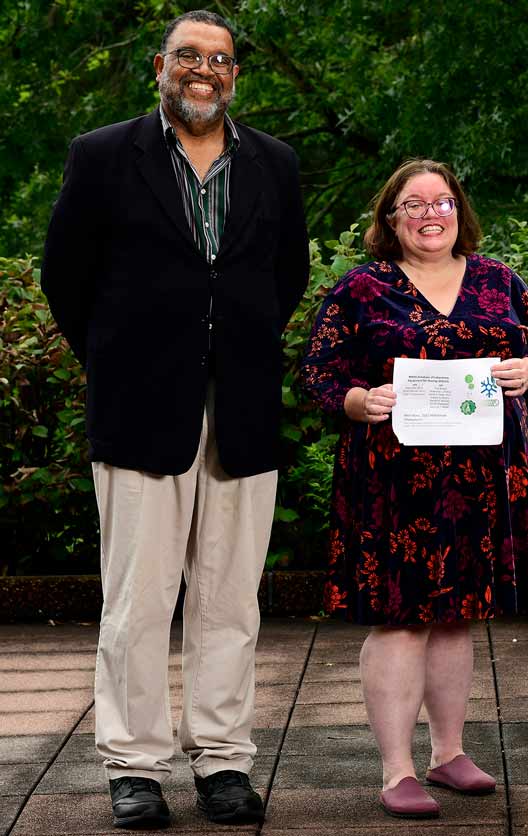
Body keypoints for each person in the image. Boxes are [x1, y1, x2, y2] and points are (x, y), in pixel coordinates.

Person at [40, 9, 308, 829]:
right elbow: (66, 281)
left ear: (235, 75)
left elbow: (284, 279)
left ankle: (223, 761)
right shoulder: (102, 155)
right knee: (138, 602)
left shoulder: (273, 163)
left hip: (245, 410)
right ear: (160, 64)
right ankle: (135, 767)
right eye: (188, 56)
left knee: (231, 602)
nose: (203, 69)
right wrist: (129, 360)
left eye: (219, 59)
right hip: (140, 410)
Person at [299, 158, 528, 820]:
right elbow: (318, 374)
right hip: (391, 484)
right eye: (412, 206)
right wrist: (357, 401)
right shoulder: (361, 289)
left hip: (481, 481)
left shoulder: (500, 282)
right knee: (399, 618)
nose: (428, 215)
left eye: (440, 203)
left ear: (459, 211)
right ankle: (396, 770)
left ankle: (449, 754)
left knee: (455, 616)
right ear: (391, 219)